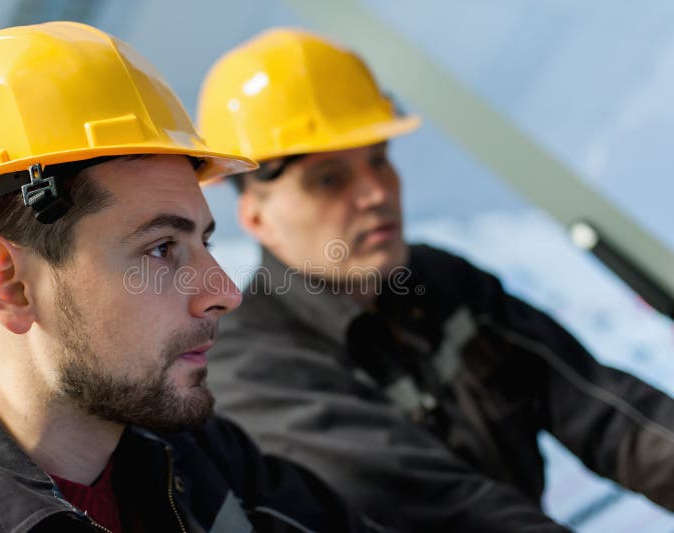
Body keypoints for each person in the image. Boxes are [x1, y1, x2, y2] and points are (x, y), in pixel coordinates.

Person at [0, 22, 384, 532]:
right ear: (8, 285)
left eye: (202, 242)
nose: (225, 293)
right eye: (162, 249)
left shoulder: (201, 457)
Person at [197, 27, 674, 530]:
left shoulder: (440, 282)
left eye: (379, 160)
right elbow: (454, 516)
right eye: (329, 179)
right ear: (256, 218)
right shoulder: (252, 369)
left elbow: (608, 414)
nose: (376, 192)